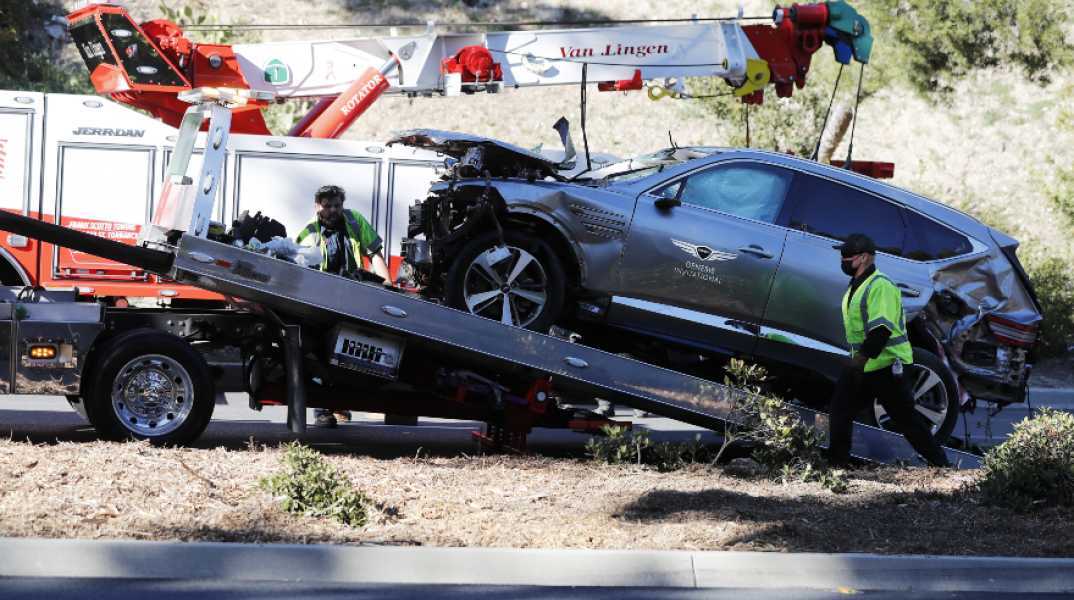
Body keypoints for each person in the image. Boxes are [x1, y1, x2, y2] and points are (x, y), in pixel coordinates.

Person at [828, 233, 950, 468]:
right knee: (840, 407)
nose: (841, 258)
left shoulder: (880, 286)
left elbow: (880, 331)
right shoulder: (857, 284)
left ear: (863, 258)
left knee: (905, 419)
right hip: (865, 365)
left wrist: (858, 361)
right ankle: (837, 465)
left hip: (888, 366)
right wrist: (857, 363)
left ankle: (941, 465)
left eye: (846, 255)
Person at [296, 185, 392, 428]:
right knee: (321, 351)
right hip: (322, 301)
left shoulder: (354, 220)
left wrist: (389, 289)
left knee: (347, 350)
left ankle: (339, 403)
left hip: (354, 297)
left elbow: (375, 255)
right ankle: (322, 411)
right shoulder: (309, 232)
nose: (333, 211)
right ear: (318, 206)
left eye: (336, 205)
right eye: (327, 206)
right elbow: (299, 269)